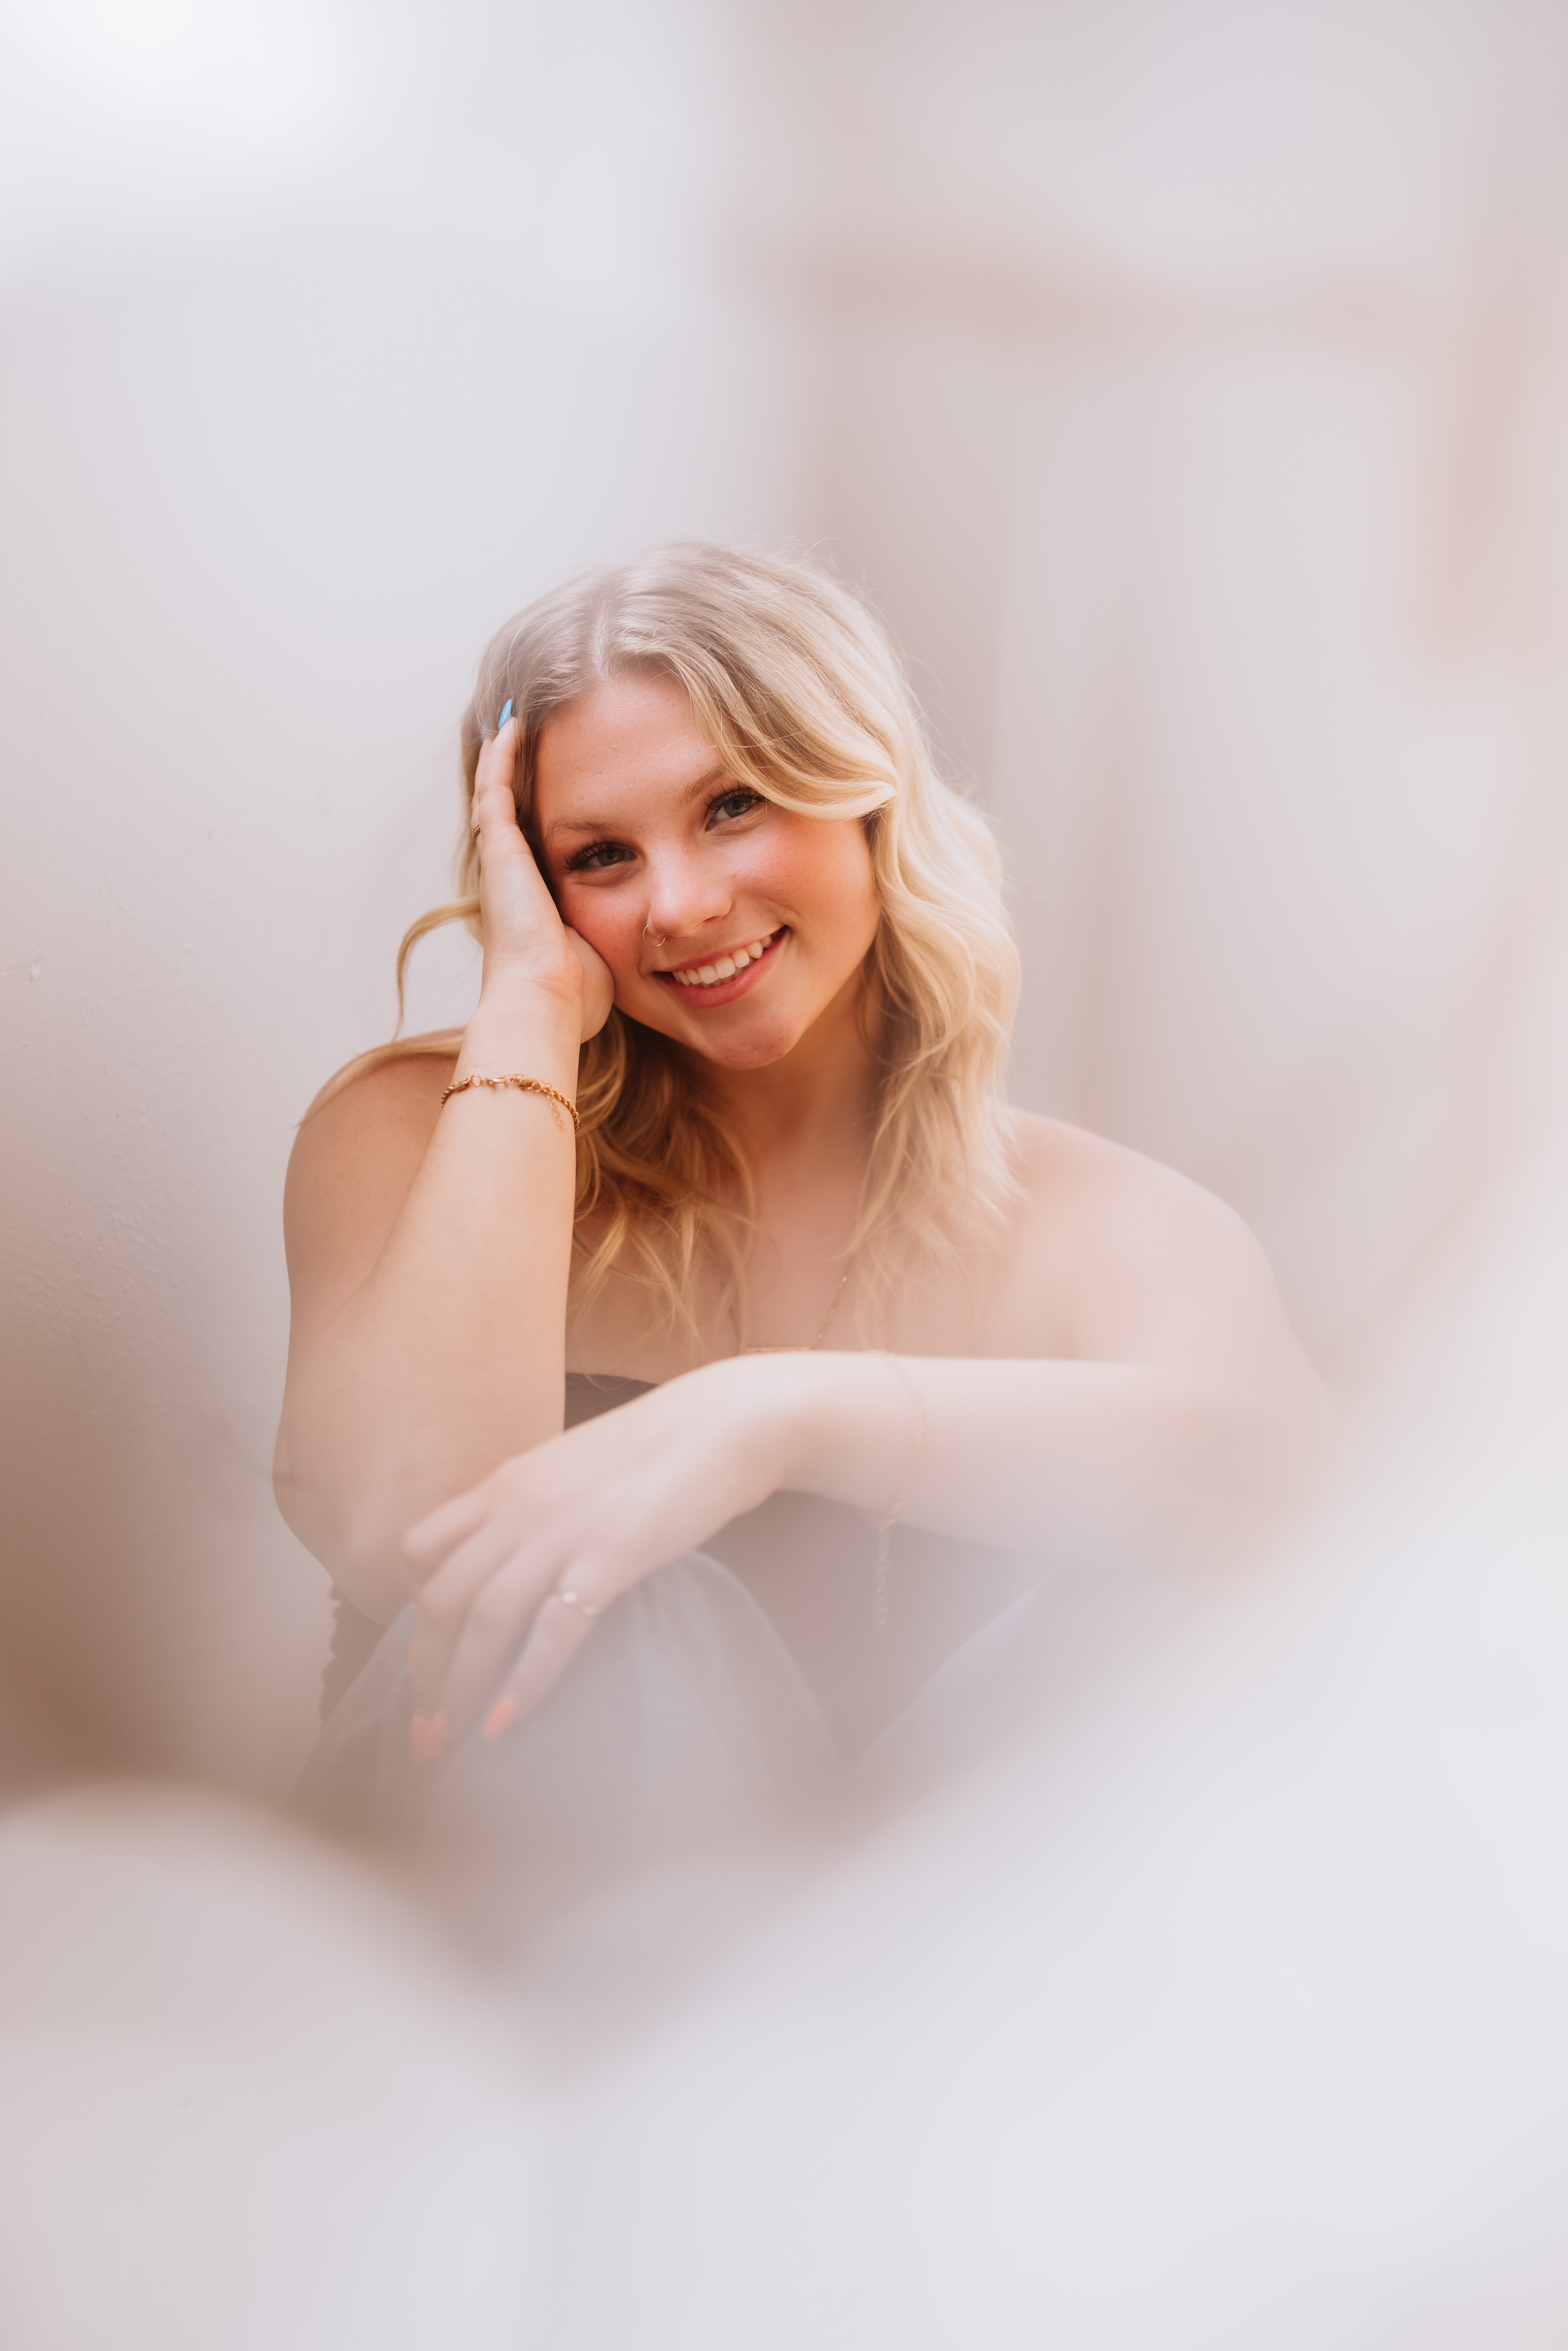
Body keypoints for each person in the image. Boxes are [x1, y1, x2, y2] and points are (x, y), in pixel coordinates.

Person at [275, 544, 1326, 1878]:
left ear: (865, 792)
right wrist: (531, 1006)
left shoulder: (1105, 1223)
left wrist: (779, 1414)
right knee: (603, 1604)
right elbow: (403, 1538)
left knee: (1155, 1589)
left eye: (733, 805)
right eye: (600, 856)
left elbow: (1308, 1501)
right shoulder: (419, 1132)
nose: (680, 904)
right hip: (494, 1949)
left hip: (923, 1946)